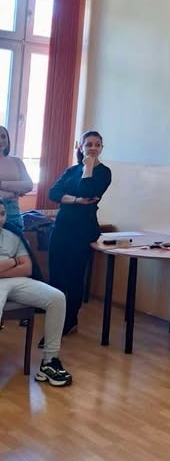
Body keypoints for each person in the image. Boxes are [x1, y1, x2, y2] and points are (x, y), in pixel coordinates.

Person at [0, 201, 73, 385]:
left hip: (17, 280)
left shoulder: (12, 235)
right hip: (7, 279)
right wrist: (13, 262)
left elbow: (27, 268)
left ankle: (49, 362)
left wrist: (7, 267)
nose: (0, 218)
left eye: (2, 213)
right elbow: (20, 264)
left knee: (57, 298)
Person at [48, 130, 112, 336]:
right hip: (62, 226)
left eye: (97, 144)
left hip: (83, 229)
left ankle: (70, 320)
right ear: (81, 147)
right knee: (56, 274)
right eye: (89, 144)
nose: (93, 148)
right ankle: (54, 317)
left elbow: (87, 191)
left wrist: (89, 167)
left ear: (101, 148)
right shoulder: (71, 170)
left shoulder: (104, 172)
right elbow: (53, 193)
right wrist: (75, 200)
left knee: (74, 276)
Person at [0, 125, 34, 233]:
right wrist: (14, 189)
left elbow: (29, 185)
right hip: (9, 203)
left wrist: (1, 184)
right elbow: (22, 187)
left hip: (13, 213)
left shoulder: (17, 161)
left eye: (3, 136)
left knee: (16, 242)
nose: (1, 140)